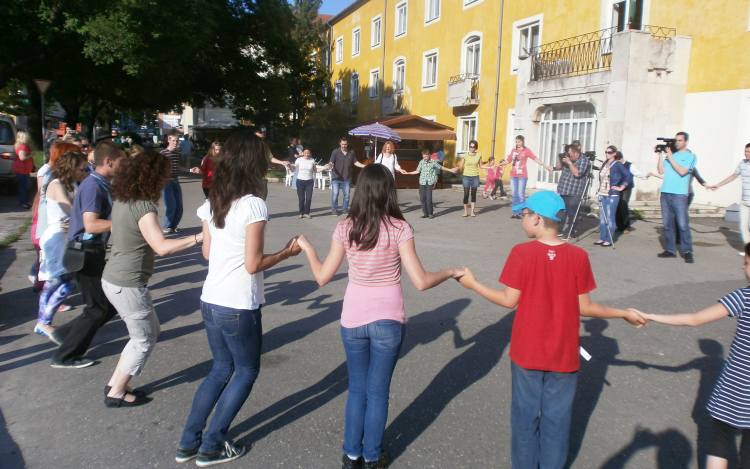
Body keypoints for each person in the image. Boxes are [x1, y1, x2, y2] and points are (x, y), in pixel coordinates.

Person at [456, 190, 646, 469]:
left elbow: (509, 301)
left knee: (524, 417)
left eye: (524, 215)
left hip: (527, 353)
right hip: (564, 355)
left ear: (536, 219)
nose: (522, 220)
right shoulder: (579, 256)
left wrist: (473, 284)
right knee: (558, 421)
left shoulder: (521, 253)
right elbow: (586, 307)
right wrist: (625, 313)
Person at [294, 164, 464, 469]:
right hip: (388, 320)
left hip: (353, 319)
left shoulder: (346, 227)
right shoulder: (400, 228)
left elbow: (322, 277)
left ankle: (351, 455)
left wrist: (307, 247)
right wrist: (452, 272)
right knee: (378, 392)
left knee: (357, 389)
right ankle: (372, 457)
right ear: (389, 191)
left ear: (360, 189)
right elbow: (421, 281)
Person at [177, 130, 301, 467]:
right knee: (245, 372)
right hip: (237, 304)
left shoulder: (214, 200)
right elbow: (253, 264)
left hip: (211, 298)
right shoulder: (253, 204)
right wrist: (287, 253)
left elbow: (206, 252)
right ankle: (212, 444)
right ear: (254, 162)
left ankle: (189, 442)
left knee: (219, 370)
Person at [101, 150, 203, 408]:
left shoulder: (123, 199)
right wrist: (200, 237)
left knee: (148, 332)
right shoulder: (144, 207)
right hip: (127, 283)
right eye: (163, 176)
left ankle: (116, 382)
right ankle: (116, 393)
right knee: (143, 339)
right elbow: (162, 247)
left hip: (116, 278)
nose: (165, 181)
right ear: (153, 177)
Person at [640, 243, 750, 469]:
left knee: (720, 440)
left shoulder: (744, 297)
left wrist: (649, 314)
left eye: (747, 263)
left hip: (736, 389)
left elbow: (695, 319)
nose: (743, 266)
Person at [50, 140, 125, 369]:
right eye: (121, 162)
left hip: (90, 253)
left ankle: (65, 334)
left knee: (109, 304)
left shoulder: (100, 183)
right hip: (84, 254)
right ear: (108, 161)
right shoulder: (93, 186)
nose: (124, 166)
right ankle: (65, 356)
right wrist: (123, 223)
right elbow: (91, 225)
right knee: (97, 308)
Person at [35, 151, 88, 342]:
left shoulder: (71, 184)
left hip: (65, 236)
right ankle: (43, 322)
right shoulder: (56, 185)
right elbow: (70, 209)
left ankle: (43, 321)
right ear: (70, 168)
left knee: (59, 281)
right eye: (81, 169)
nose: (83, 172)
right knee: (61, 281)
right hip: (56, 237)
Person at [654, 132, 697, 263]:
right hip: (666, 192)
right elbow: (661, 171)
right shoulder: (672, 155)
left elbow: (682, 172)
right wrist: (660, 155)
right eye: (676, 140)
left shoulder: (691, 156)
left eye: (680, 140)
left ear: (686, 142)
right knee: (667, 224)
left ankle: (687, 251)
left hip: (679, 194)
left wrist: (671, 156)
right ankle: (670, 250)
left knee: (682, 224)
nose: (677, 142)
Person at [707, 143, 750, 256]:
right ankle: (748, 251)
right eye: (745, 151)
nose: (746, 154)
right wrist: (719, 185)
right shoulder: (742, 164)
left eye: (749, 152)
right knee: (743, 226)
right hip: (744, 200)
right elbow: (733, 176)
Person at [594, 146, 632, 247]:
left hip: (612, 194)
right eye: (606, 152)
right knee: (602, 218)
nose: (607, 154)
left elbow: (628, 175)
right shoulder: (604, 164)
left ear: (615, 153)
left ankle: (609, 239)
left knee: (610, 218)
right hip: (603, 193)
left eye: (610, 152)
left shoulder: (617, 164)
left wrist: (621, 187)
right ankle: (602, 238)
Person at [508, 135, 553, 218]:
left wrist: (544, 165)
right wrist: (498, 165)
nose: (517, 143)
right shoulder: (513, 150)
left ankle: (524, 212)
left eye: (519, 142)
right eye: (516, 142)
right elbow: (508, 160)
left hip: (522, 175)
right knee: (514, 194)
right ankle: (516, 213)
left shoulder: (526, 150)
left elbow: (534, 158)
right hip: (513, 175)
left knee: (520, 194)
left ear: (523, 142)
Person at [404, 148, 458, 218]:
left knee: (428, 199)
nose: (425, 158)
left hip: (429, 182)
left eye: (426, 157)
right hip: (422, 182)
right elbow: (417, 171)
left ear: (429, 155)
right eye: (423, 157)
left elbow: (440, 167)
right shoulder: (421, 162)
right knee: (422, 198)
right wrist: (408, 173)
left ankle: (430, 213)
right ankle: (425, 213)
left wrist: (450, 170)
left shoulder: (433, 162)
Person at [554, 144, 592, 237]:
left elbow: (577, 173)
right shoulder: (568, 158)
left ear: (576, 154)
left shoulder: (584, 160)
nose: (569, 155)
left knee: (572, 213)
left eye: (570, 153)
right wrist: (561, 159)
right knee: (562, 211)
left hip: (575, 191)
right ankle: (560, 229)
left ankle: (571, 231)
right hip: (564, 189)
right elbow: (558, 167)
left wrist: (569, 162)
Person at [161, 131, 193, 233]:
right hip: (167, 183)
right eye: (173, 141)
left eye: (177, 141)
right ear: (169, 141)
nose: (175, 143)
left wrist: (189, 170)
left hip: (176, 182)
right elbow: (157, 169)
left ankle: (174, 226)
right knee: (171, 206)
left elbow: (178, 167)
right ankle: (166, 227)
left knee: (179, 206)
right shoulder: (163, 154)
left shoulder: (176, 154)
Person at [614, 151, 649, 234]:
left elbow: (637, 173)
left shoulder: (629, 165)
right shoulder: (615, 164)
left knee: (623, 206)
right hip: (617, 188)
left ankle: (626, 226)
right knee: (616, 207)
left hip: (626, 188)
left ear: (621, 159)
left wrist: (646, 176)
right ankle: (619, 226)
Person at [330, 137, 365, 216]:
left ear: (347, 144)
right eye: (342, 144)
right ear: (340, 143)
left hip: (346, 178)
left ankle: (345, 209)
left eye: (345, 144)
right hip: (336, 177)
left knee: (347, 195)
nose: (344, 146)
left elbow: (355, 162)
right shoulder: (335, 152)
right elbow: (331, 162)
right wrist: (329, 165)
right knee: (335, 194)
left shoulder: (351, 152)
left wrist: (364, 166)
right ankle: (334, 209)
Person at [293, 148, 324, 219]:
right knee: (301, 199)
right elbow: (294, 168)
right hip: (300, 181)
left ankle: (307, 212)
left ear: (310, 154)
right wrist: (289, 166)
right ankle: (301, 213)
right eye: (305, 153)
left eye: (308, 153)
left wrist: (324, 168)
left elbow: (315, 170)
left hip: (309, 181)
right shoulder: (299, 160)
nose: (306, 154)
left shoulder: (312, 160)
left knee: (308, 198)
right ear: (303, 153)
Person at [457, 140, 483, 217]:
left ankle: (472, 211)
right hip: (466, 176)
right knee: (466, 194)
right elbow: (461, 165)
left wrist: (490, 167)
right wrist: (456, 168)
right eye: (470, 147)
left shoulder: (479, 155)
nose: (471, 148)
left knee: (473, 194)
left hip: (475, 176)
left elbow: (481, 166)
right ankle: (465, 211)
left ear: (476, 148)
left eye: (473, 147)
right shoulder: (465, 155)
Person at [12, 130, 34, 209]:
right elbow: (22, 158)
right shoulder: (22, 146)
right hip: (22, 170)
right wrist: (30, 155)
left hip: (23, 170)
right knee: (24, 187)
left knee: (26, 186)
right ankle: (22, 202)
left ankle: (26, 201)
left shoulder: (18, 145)